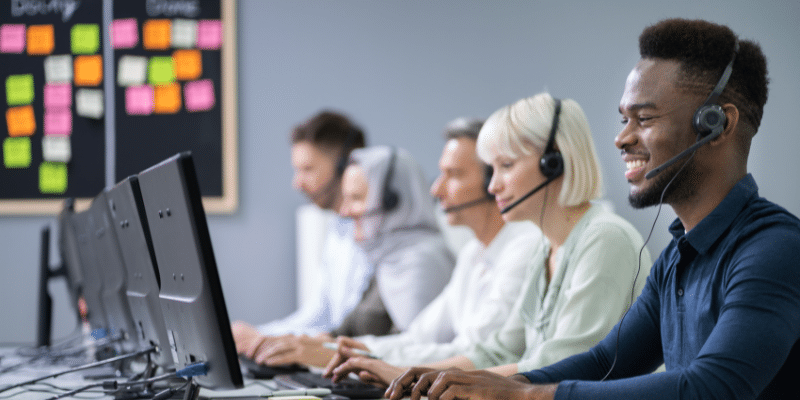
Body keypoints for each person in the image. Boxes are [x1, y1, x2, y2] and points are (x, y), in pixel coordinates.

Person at [386, 19, 800, 400]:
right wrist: (497, 385)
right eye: (624, 119)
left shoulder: (774, 249)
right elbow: (607, 363)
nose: (621, 139)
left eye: (645, 118)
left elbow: (712, 389)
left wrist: (522, 396)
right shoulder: (677, 256)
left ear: (717, 124)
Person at [334, 92, 652, 387]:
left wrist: (427, 381)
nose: (493, 186)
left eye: (507, 166)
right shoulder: (545, 246)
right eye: (492, 169)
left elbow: (559, 366)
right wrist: (416, 376)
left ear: (553, 162)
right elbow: (499, 352)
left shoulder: (604, 239)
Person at [319, 118, 541, 383]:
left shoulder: (524, 248)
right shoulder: (473, 252)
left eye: (454, 174)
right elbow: (420, 335)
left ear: (492, 181)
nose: (436, 189)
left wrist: (375, 360)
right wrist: (361, 351)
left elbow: (476, 352)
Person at [250, 146, 456, 368]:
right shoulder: (388, 258)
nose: (345, 211)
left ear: (391, 200)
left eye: (356, 198)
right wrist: (300, 343)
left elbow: (419, 354)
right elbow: (345, 329)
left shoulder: (422, 260)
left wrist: (333, 352)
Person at [231, 110, 373, 357]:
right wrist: (259, 335)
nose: (297, 183)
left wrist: (262, 338)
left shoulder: (374, 235)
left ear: (344, 166)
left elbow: (350, 329)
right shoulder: (338, 230)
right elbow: (320, 314)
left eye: (308, 169)